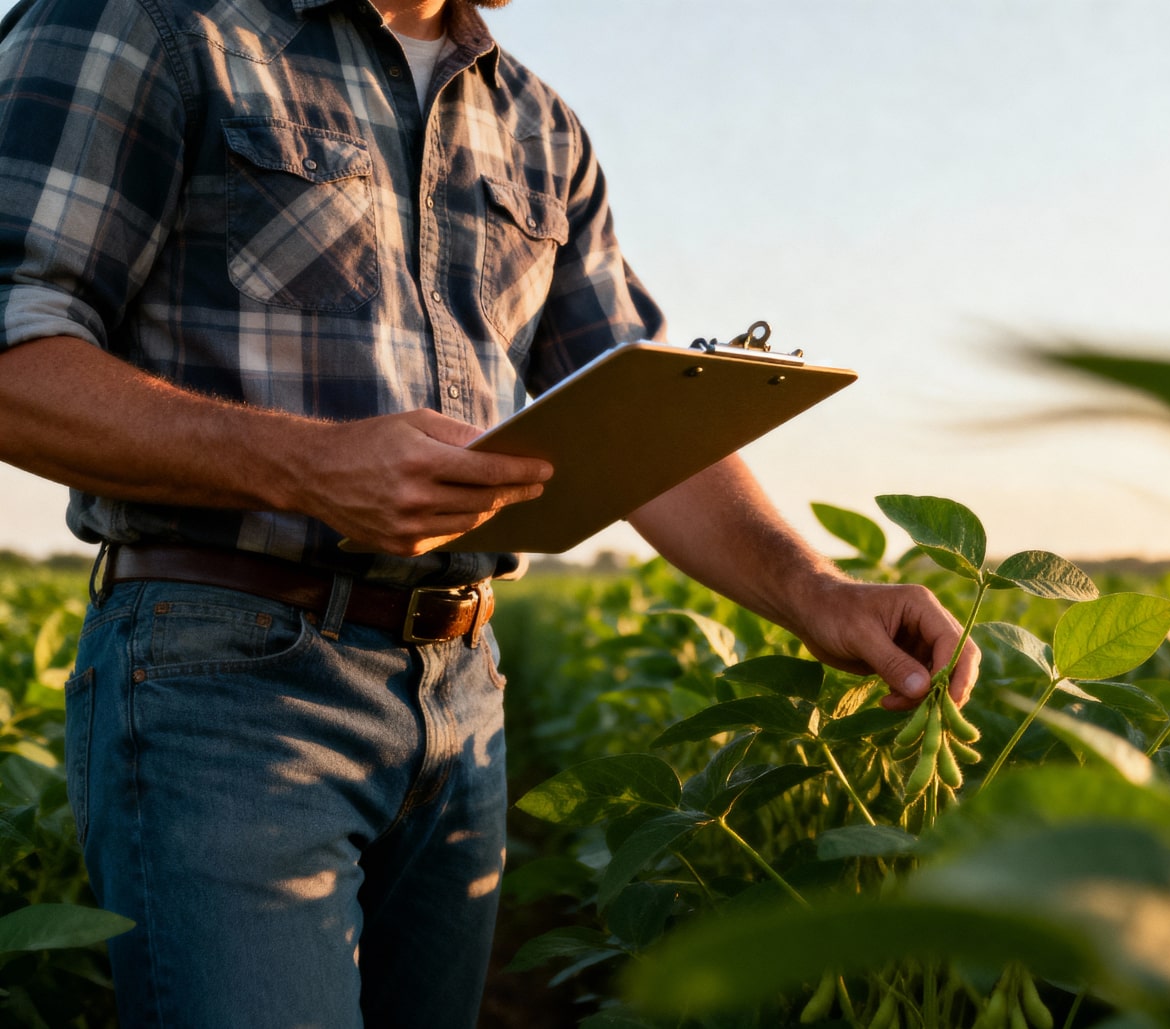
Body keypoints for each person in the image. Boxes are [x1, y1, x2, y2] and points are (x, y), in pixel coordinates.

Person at [0, 0, 978, 1023]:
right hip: (227, 684)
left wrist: (813, 589)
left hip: (462, 694)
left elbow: (638, 416)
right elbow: (15, 355)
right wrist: (305, 465)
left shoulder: (538, 127)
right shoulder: (149, 25)